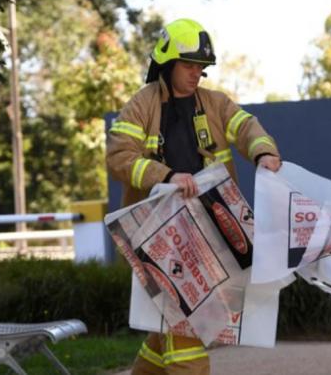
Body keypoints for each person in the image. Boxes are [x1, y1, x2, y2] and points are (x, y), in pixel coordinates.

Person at [106, 18, 281, 374]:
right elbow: (119, 157)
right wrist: (167, 176)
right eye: (188, 65)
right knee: (184, 329)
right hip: (158, 236)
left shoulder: (215, 104)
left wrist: (264, 152)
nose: (196, 73)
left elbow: (246, 126)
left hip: (209, 233)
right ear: (167, 64)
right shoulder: (141, 106)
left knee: (172, 330)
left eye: (201, 67)